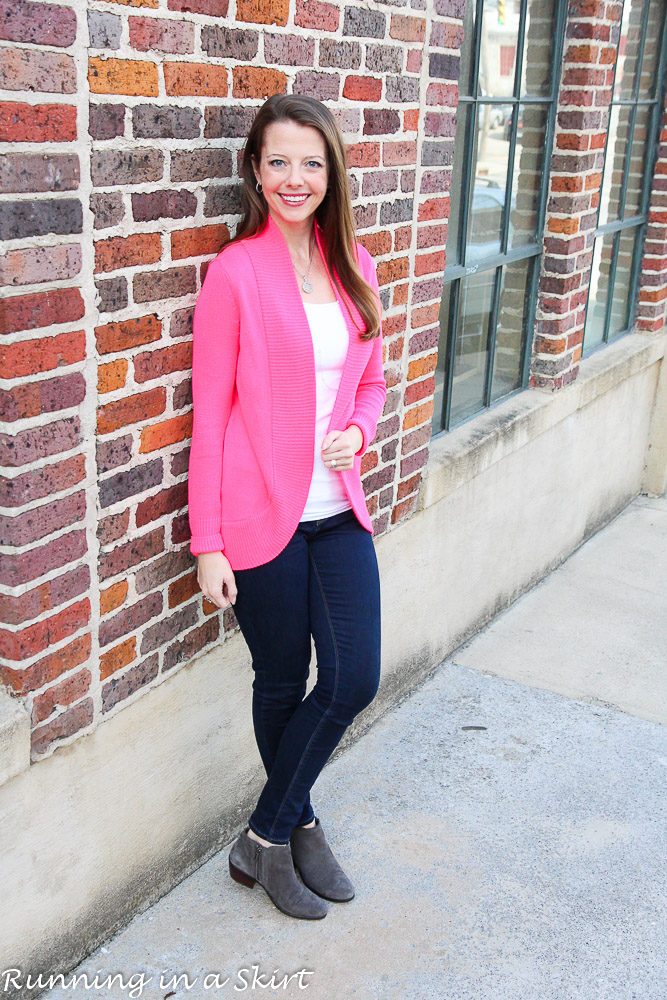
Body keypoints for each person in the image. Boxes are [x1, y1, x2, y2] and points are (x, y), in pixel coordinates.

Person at [187, 93, 387, 921]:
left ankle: (263, 834)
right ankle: (299, 826)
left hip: (335, 511)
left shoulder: (356, 266)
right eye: (278, 161)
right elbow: (207, 416)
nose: (294, 178)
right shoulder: (235, 272)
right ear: (255, 172)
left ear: (331, 170)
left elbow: (370, 384)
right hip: (255, 518)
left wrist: (357, 433)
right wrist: (207, 544)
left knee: (351, 678)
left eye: (311, 161)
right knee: (281, 679)